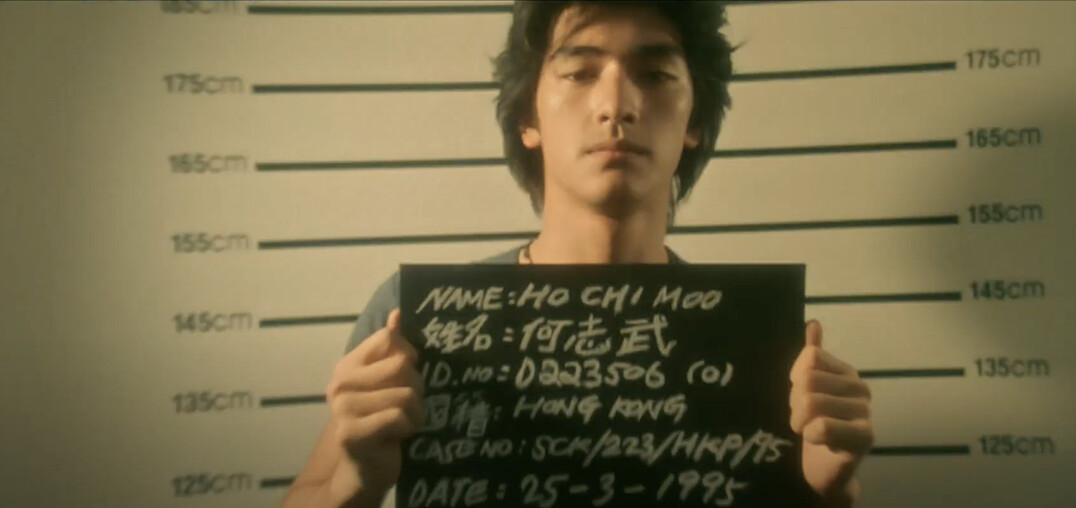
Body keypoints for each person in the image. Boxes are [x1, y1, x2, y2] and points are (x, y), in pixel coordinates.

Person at [281, 2, 873, 507]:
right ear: (527, 117)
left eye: (656, 74)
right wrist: (354, 480)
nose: (616, 105)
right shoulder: (411, 316)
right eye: (580, 72)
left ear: (694, 119)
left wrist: (830, 491)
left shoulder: (755, 338)